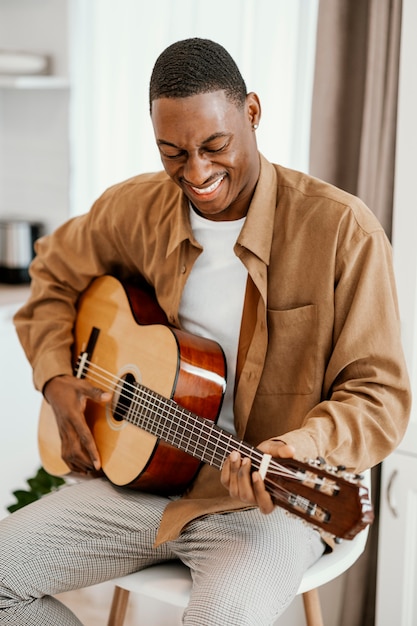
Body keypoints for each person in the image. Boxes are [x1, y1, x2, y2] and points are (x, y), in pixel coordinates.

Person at [0, 37, 411, 626]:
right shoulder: (136, 208)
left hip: (270, 506)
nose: (196, 172)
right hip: (145, 487)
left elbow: (380, 398)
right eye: (173, 152)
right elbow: (52, 273)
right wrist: (57, 380)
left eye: (215, 146)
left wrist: (300, 447)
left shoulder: (343, 231)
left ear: (252, 113)